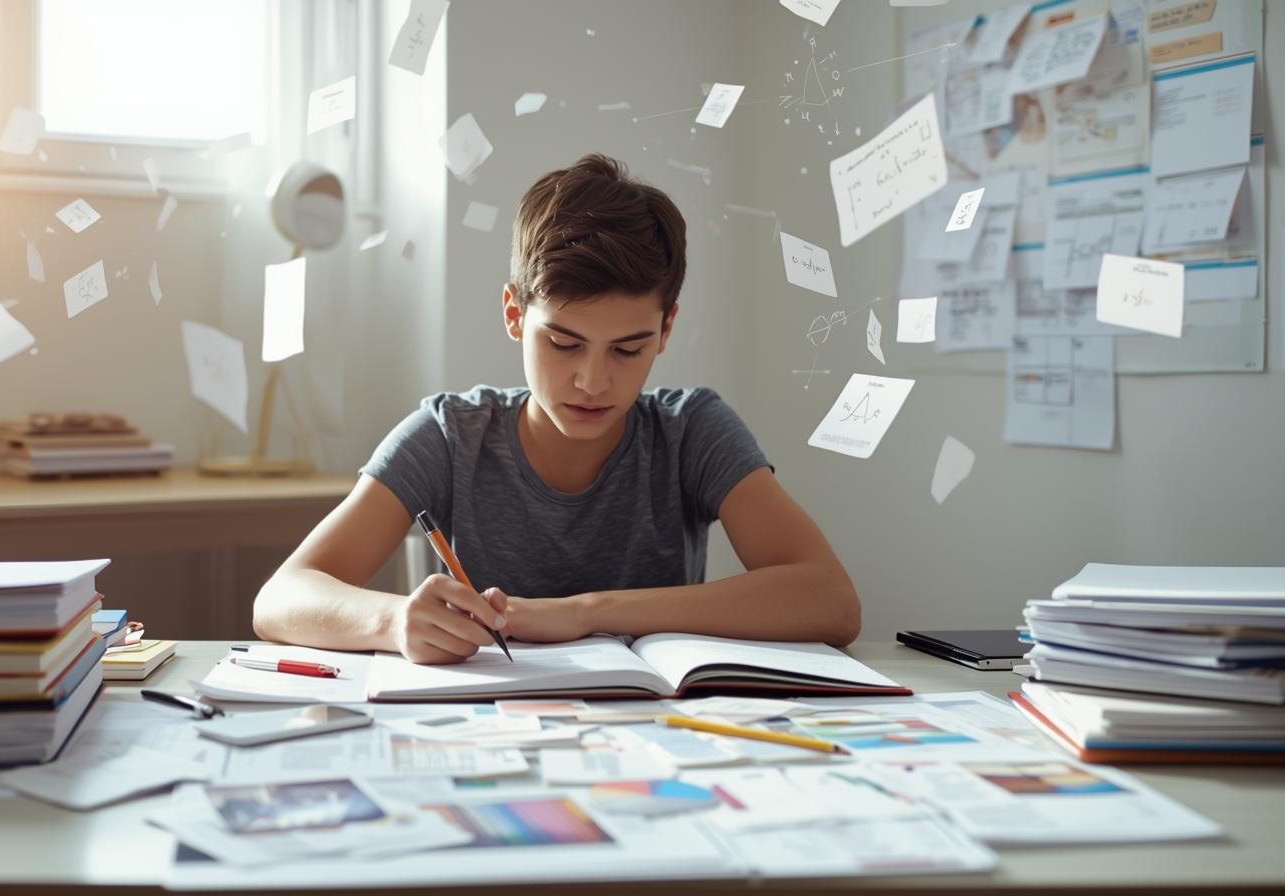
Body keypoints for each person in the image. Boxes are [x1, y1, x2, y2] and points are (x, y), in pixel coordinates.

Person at [253, 153, 860, 664]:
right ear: (515, 314)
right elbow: (280, 598)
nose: (593, 380)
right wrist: (392, 622)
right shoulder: (449, 436)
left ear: (667, 329)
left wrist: (585, 613)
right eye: (564, 343)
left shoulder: (691, 430)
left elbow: (831, 601)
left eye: (628, 348)